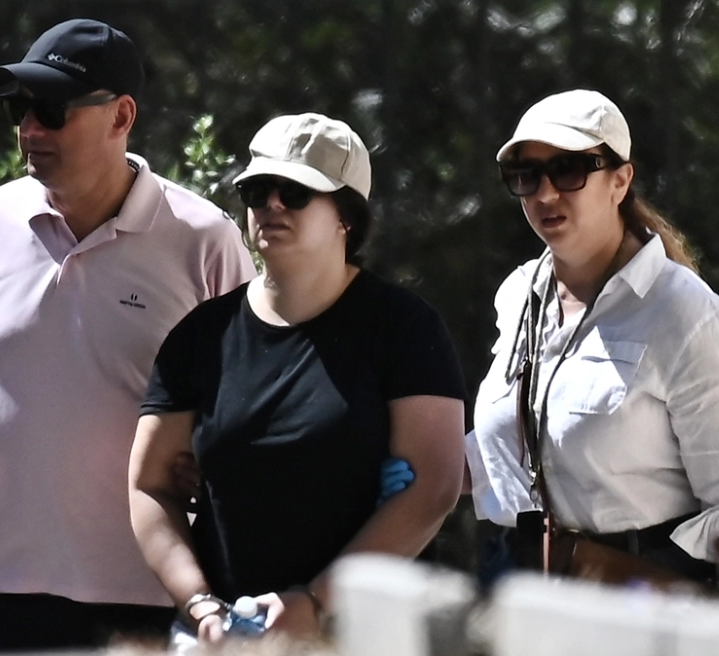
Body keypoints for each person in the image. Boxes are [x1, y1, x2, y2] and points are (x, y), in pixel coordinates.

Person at [0, 19, 256, 651]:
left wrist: (213, 463)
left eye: (51, 110)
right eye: (19, 108)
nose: (30, 129)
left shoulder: (204, 242)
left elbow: (250, 402)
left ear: (121, 116)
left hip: (149, 597)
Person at [128, 113, 467, 644]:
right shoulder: (203, 334)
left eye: (295, 193)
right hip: (225, 638)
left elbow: (434, 486)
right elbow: (149, 485)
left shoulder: (403, 327)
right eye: (257, 192)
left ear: (346, 217)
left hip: (364, 637)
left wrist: (317, 602)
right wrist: (199, 605)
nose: (271, 206)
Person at [464, 89, 719, 607]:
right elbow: (505, 453)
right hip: (518, 596)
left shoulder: (686, 316)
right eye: (526, 175)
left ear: (620, 180)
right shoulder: (520, 296)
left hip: (635, 610)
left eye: (569, 170)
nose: (545, 192)